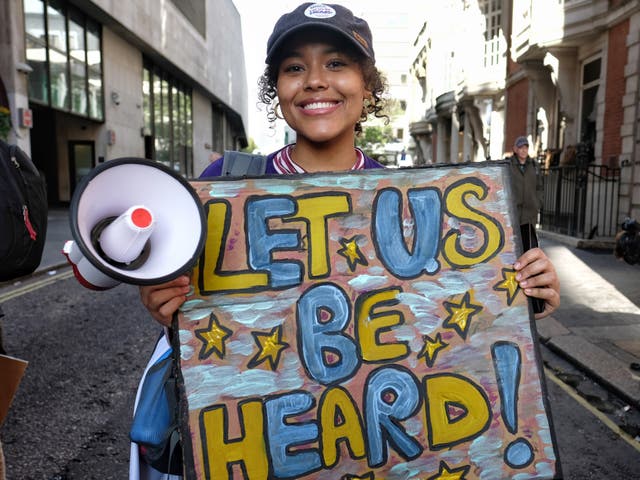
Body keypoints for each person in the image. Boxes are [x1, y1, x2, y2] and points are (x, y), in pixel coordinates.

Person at [133, 3, 561, 478]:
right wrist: (165, 306)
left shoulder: (415, 201)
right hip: (269, 448)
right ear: (277, 89)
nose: (315, 80)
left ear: (368, 85)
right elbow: (197, 317)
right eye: (294, 67)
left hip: (373, 444)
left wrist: (527, 292)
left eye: (336, 63)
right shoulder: (223, 186)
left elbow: (450, 321)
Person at [506, 135, 543, 230]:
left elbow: (539, 186)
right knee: (514, 242)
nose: (524, 150)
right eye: (521, 147)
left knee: (527, 242)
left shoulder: (534, 166)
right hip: (513, 212)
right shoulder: (508, 165)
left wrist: (537, 203)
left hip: (530, 212)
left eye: (526, 148)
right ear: (515, 149)